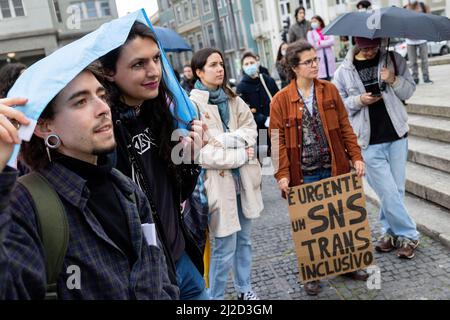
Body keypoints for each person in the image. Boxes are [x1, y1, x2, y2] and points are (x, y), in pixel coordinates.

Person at [0, 68, 178, 299]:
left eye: (102, 96)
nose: (103, 108)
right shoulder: (25, 203)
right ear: (45, 127)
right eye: (81, 101)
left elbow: (161, 282)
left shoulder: (127, 190)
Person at [99, 21, 208, 300]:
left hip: (181, 258)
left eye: (156, 59)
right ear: (110, 72)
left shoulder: (161, 113)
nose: (153, 71)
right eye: (138, 64)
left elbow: (179, 191)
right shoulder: (102, 130)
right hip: (147, 275)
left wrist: (190, 158)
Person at [269, 40, 368, 296]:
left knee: (341, 219)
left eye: (316, 59)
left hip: (334, 165)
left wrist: (356, 156)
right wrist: (281, 175)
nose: (316, 64)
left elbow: (345, 126)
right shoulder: (280, 100)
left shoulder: (330, 90)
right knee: (311, 226)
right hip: (304, 174)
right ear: (294, 67)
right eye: (309, 61)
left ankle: (348, 264)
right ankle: (312, 272)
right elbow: (274, 142)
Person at [333, 37, 419, 260]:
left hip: (397, 135)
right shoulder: (344, 71)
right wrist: (359, 100)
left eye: (374, 46)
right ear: (357, 44)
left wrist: (393, 79)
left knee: (395, 190)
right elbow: (338, 104)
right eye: (365, 47)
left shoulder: (393, 59)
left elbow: (409, 91)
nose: (370, 51)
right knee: (387, 191)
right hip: (367, 141)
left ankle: (389, 233)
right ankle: (409, 235)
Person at [189, 48, 264, 300]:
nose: (220, 68)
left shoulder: (234, 99)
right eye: (213, 65)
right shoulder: (192, 106)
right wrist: (241, 152)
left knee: (244, 241)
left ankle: (244, 289)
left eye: (221, 64)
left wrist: (224, 139)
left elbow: (252, 132)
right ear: (199, 71)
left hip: (243, 182)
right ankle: (215, 297)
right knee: (223, 246)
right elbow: (201, 154)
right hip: (217, 187)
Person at [236, 51, 279, 157]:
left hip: (275, 126)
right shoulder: (241, 87)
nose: (250, 66)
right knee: (266, 161)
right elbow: (244, 112)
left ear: (257, 63)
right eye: (246, 64)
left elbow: (279, 99)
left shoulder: (267, 80)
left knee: (279, 156)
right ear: (242, 67)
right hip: (259, 130)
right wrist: (264, 119)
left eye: (252, 62)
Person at [405, 0, 433, 84]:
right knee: (412, 61)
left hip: (422, 38)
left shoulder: (423, 6)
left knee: (424, 60)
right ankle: (415, 78)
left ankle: (426, 77)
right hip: (410, 40)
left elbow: (429, 19)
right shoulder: (405, 8)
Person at [306, 15, 336, 81]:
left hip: (329, 57)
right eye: (312, 22)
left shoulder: (327, 30)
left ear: (320, 22)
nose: (313, 23)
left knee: (331, 79)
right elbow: (313, 46)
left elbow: (332, 41)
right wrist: (325, 42)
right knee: (322, 78)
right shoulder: (310, 33)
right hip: (319, 58)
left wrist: (320, 43)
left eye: (315, 21)